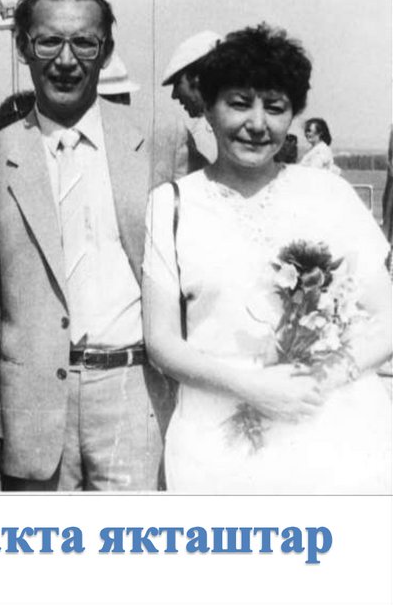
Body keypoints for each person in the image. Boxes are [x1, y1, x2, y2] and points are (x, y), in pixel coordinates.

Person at [143, 24, 392, 493]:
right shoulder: (171, 205)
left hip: (331, 436)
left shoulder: (329, 195)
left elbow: (388, 318)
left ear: (293, 114)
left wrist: (316, 380)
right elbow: (162, 341)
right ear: (208, 107)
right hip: (216, 442)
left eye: (275, 108)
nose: (257, 124)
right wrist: (252, 388)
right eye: (239, 103)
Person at [0, 0, 170, 492]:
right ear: (23, 47)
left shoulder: (158, 143)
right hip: (30, 406)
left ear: (106, 51)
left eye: (85, 43)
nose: (66, 60)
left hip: (133, 395)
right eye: (49, 41)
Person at [162, 30, 223, 176]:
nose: (174, 95)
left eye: (178, 83)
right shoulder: (203, 129)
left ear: (197, 78)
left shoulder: (203, 136)